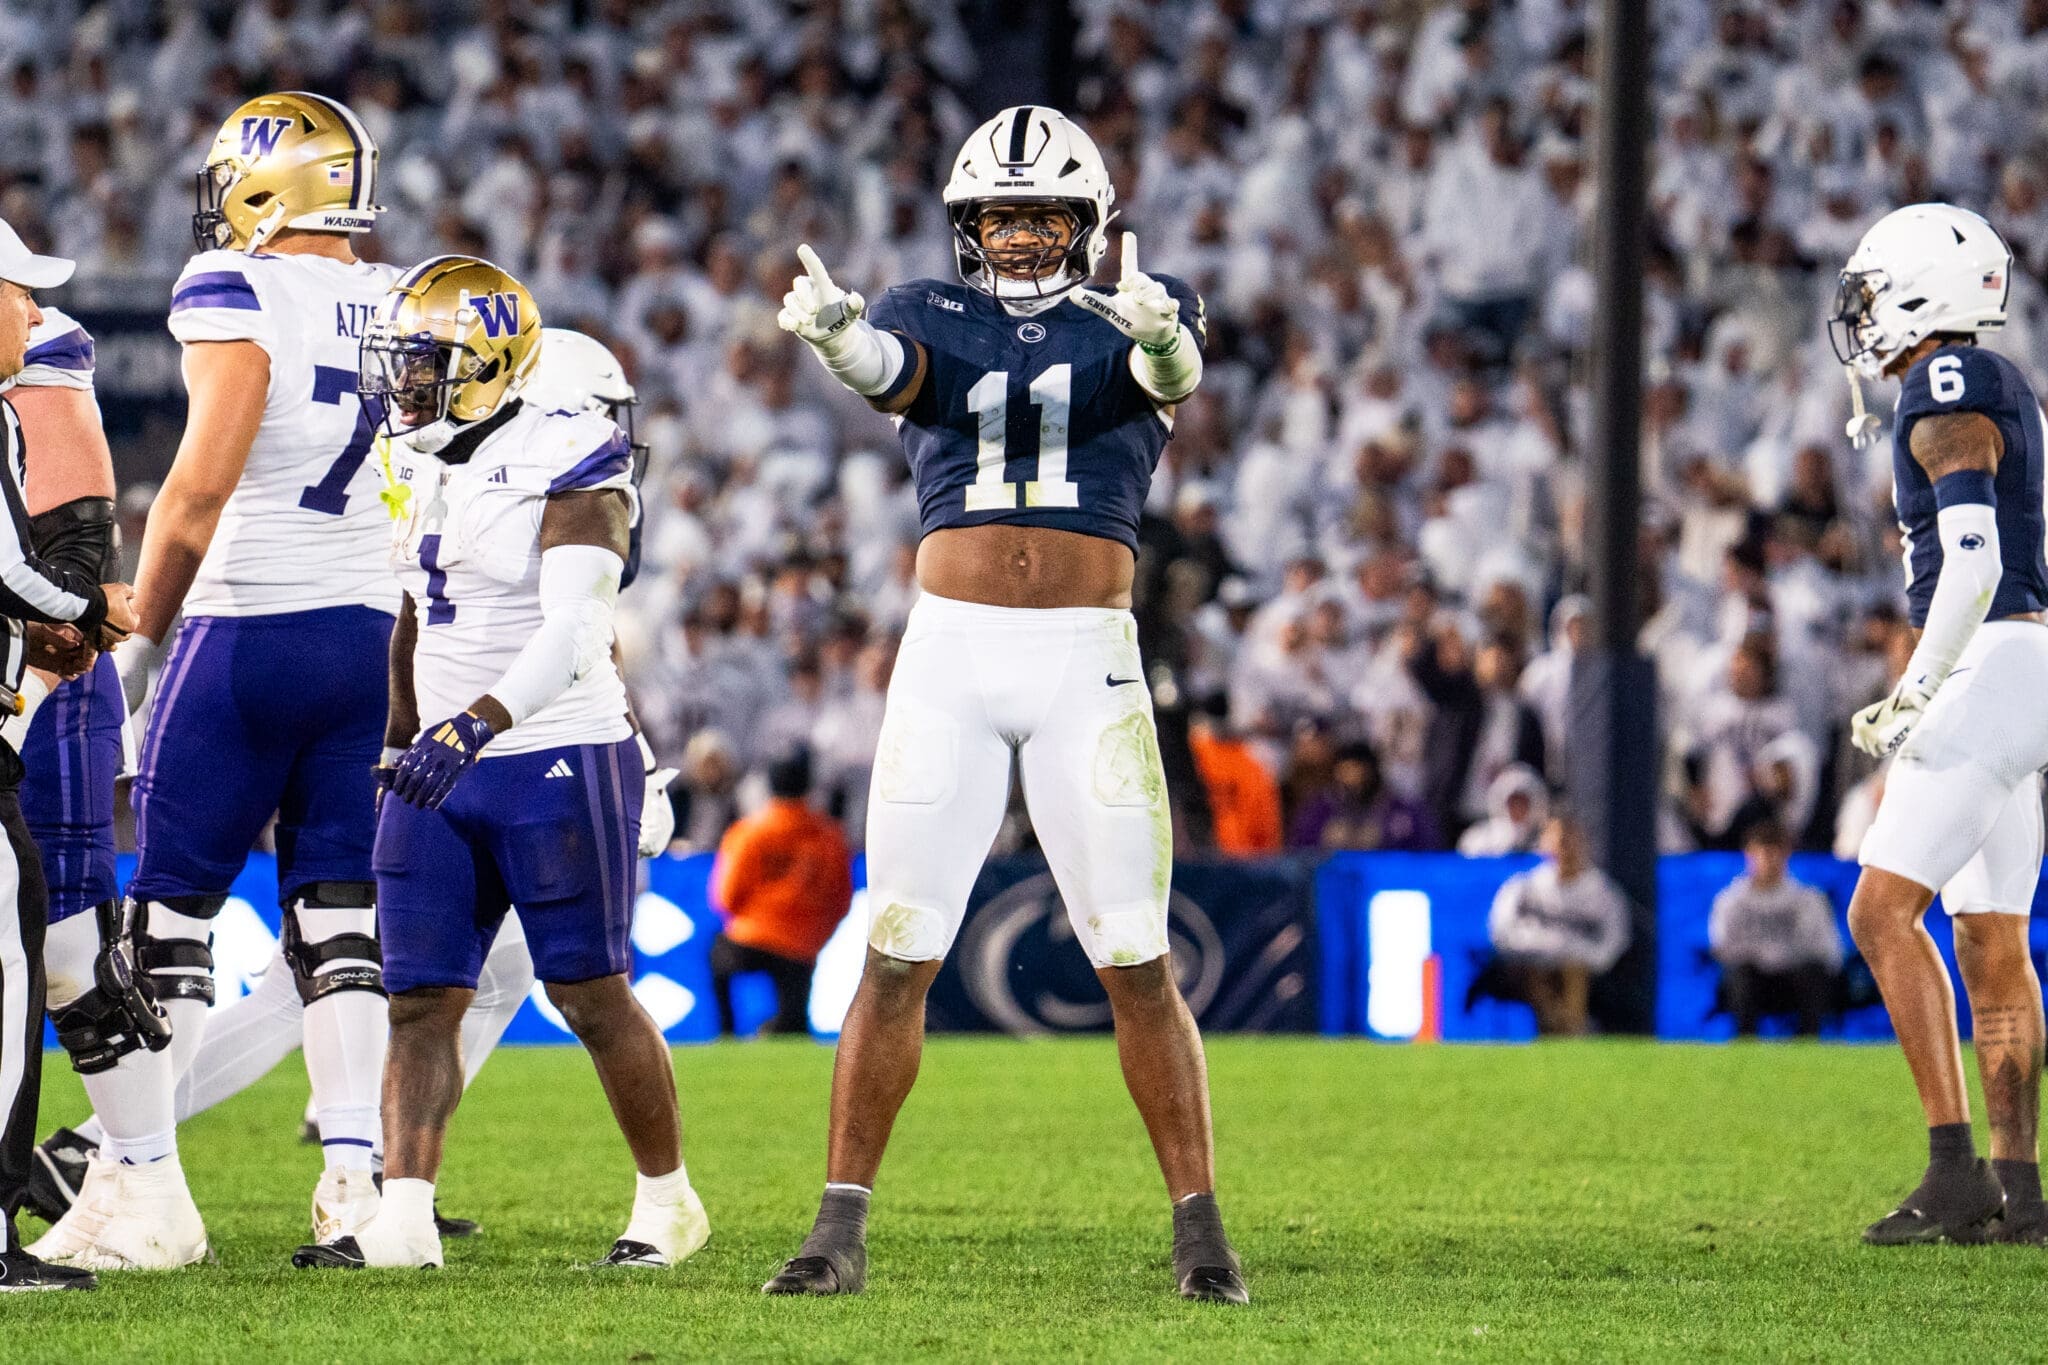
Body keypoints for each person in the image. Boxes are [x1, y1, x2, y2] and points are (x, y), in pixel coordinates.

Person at [27, 329, 674, 1239]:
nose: (605, 436)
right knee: (356, 979)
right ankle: (294, 1158)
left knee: (431, 978)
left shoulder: (466, 471)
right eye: (596, 414)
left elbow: (570, 641)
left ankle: (375, 1165)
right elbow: (529, 636)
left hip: (445, 730)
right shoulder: (484, 472)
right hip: (425, 734)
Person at [765, 106, 1247, 1303]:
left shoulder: (1137, 302)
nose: (1022, 239)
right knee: (897, 944)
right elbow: (897, 376)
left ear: (1086, 225)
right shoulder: (924, 306)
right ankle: (836, 1228)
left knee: (1135, 954)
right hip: (952, 656)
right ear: (966, 226)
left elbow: (1165, 371)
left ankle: (1200, 1233)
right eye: (999, 218)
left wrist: (1165, 343)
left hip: (1086, 654)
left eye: (1041, 217)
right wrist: (837, 341)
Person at [31, 93, 400, 1272]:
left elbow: (196, 485)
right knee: (339, 915)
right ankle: (357, 1187)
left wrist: (139, 624)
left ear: (261, 183)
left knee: (170, 915)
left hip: (250, 622)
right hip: (362, 627)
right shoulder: (394, 297)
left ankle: (142, 1189)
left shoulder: (237, 287)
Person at [298, 256, 706, 1271]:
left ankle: (667, 1202)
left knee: (589, 994)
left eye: (424, 362)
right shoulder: (420, 455)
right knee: (419, 998)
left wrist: (470, 724)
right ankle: (403, 1215)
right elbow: (412, 616)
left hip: (548, 751)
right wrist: (402, 738)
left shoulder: (572, 454)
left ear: (487, 365)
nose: (403, 383)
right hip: (440, 761)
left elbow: (577, 631)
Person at [1829, 204, 2048, 1246]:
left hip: (1988, 663)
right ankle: (2021, 1194)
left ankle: (1953, 1174)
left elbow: (1971, 559)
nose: (1863, 316)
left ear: (1920, 288)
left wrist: (1916, 688)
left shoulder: (1946, 381)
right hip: (2020, 667)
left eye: (1872, 292)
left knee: (1878, 915)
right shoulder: (1987, 385)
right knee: (1988, 936)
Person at [0, 219, 140, 1290]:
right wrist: (76, 611)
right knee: (39, 954)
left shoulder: (48, 355)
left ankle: (132, 1168)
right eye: (19, 292)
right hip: (26, 686)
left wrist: (63, 623)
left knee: (64, 950)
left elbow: (72, 533)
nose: (37, 313)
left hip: (34, 690)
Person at [708, 747, 853, 1035]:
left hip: (751, 936)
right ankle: (775, 1028)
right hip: (801, 946)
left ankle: (727, 1031)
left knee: (718, 960)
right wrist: (815, 934)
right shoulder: (829, 835)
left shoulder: (750, 832)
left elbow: (725, 896)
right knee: (794, 1026)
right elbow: (841, 899)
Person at [1485, 813, 1630, 1036]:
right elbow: (1501, 932)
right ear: (1544, 843)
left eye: (1571, 839)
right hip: (1530, 964)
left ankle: (1566, 1027)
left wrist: (1576, 953)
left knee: (1572, 971)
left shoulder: (1600, 891)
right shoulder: (1525, 886)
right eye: (1559, 839)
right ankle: (1565, 1028)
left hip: (1583, 969)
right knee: (1536, 973)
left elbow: (1614, 941)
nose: (1565, 847)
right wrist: (1549, 946)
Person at [1709, 819, 1843, 1037]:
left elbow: (1828, 951)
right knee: (1742, 977)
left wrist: (1782, 958)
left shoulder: (1807, 899)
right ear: (1749, 855)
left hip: (1795, 980)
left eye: (1774, 853)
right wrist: (1763, 958)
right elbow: (1722, 948)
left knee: (1813, 974)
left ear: (1786, 854)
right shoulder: (1730, 901)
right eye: (1761, 853)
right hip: (1753, 981)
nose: (1768, 861)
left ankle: (1808, 1043)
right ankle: (1745, 1043)